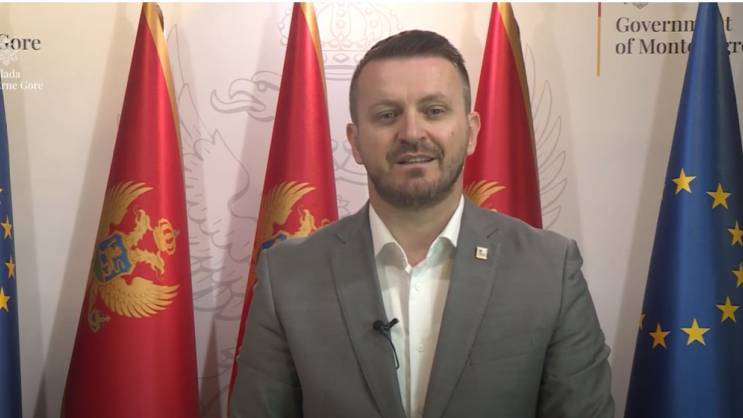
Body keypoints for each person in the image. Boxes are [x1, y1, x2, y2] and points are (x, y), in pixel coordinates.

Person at [230, 30, 613, 418]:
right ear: (355, 141)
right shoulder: (287, 275)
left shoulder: (549, 269)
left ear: (471, 132)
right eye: (387, 115)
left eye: (434, 111)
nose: (412, 133)